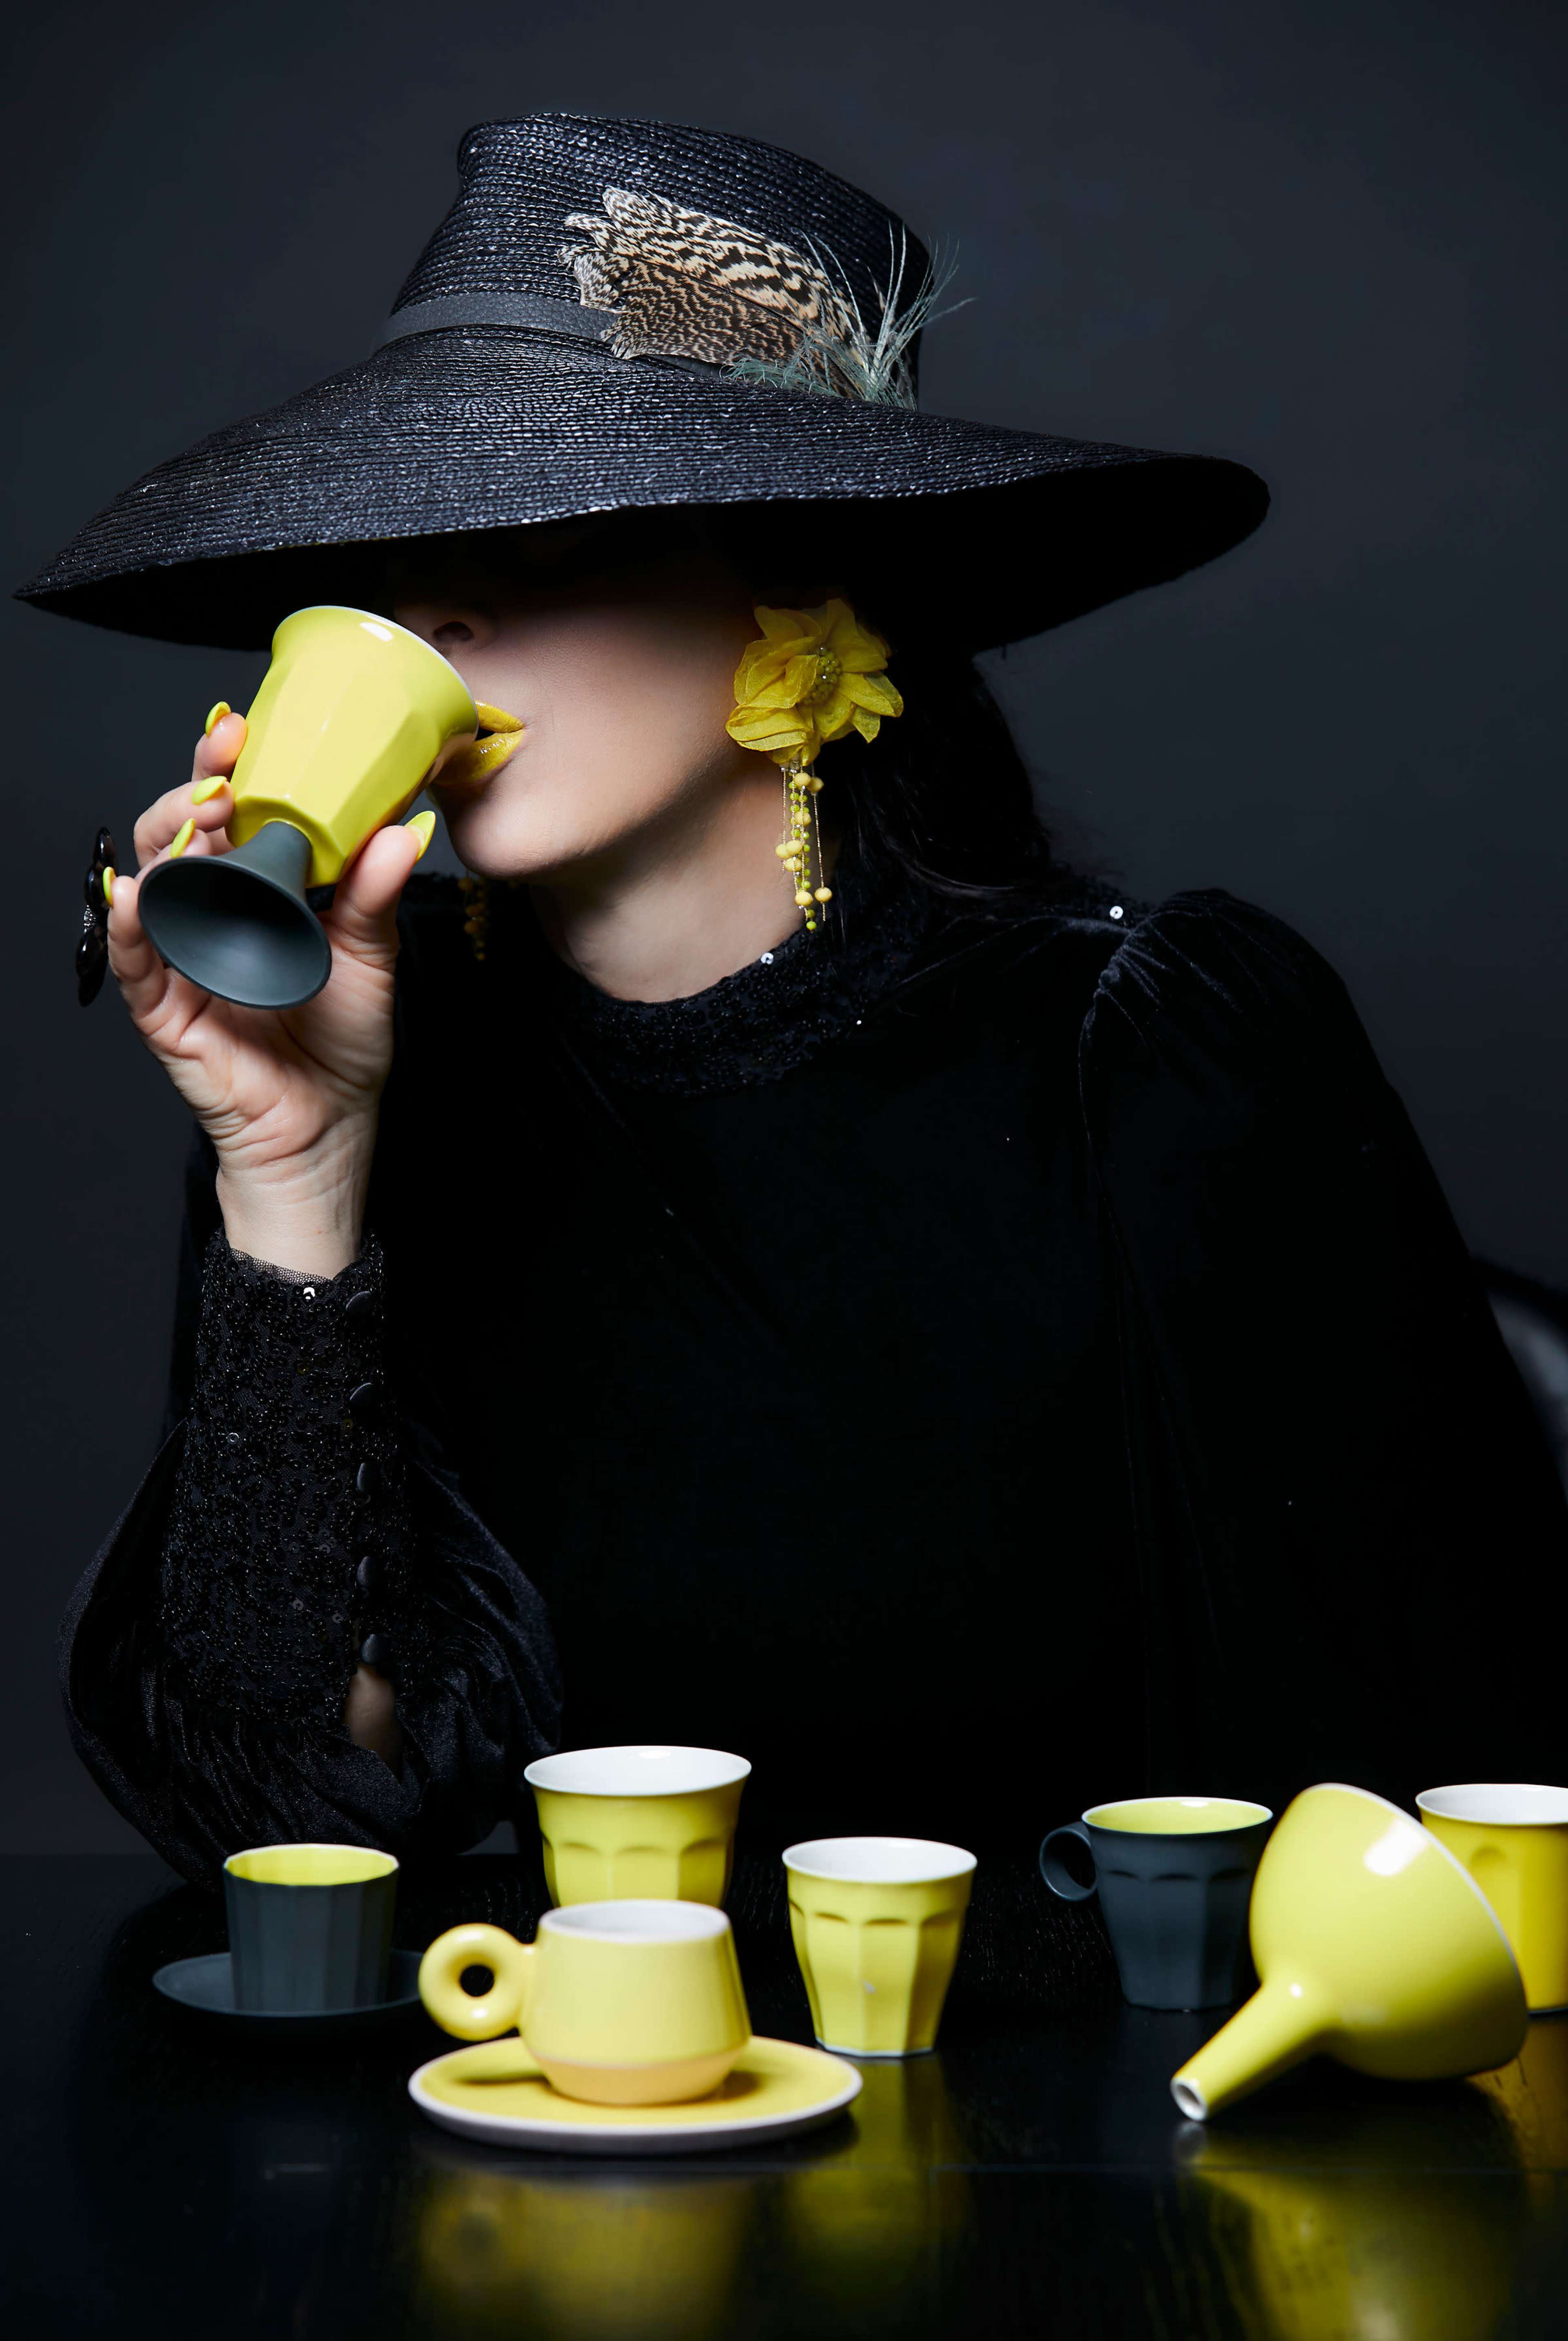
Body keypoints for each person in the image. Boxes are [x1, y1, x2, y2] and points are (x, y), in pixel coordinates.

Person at [25, 115, 1565, 1889]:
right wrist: (289, 1184)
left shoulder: (1149, 1049)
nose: (438, 607)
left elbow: (1415, 1807)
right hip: (559, 2057)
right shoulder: (358, 1056)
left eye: (548, 518)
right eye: (390, 544)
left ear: (803, 578)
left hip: (1096, 2058)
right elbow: (287, 1838)